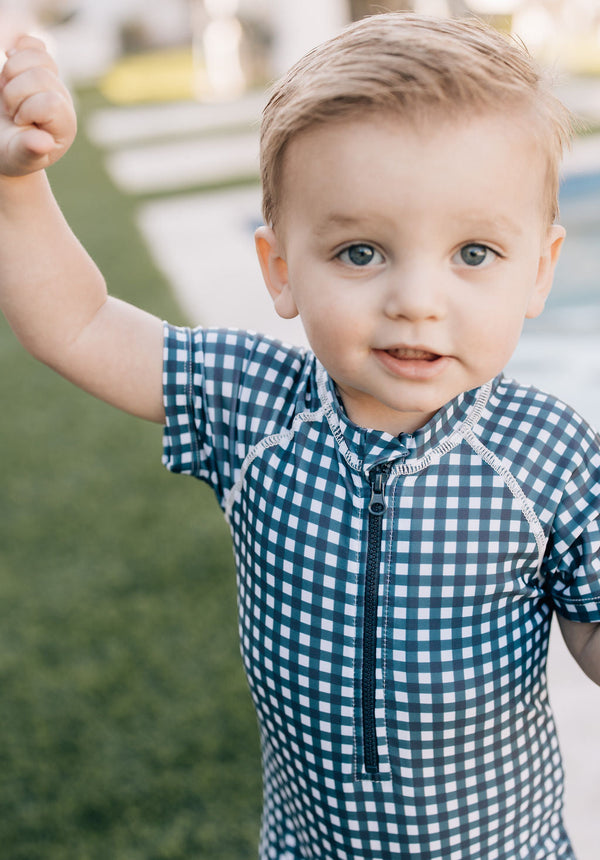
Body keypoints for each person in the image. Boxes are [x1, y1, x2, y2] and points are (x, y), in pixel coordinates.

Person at [0, 12, 599, 860]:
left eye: (473, 253)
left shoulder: (546, 454)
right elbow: (80, 323)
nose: (416, 300)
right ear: (281, 269)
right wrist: (17, 188)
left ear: (539, 269)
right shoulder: (253, 410)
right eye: (361, 253)